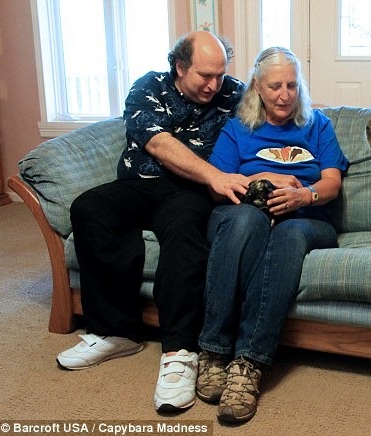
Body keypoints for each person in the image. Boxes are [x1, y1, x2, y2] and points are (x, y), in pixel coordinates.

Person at [56, 31, 250, 413]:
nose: (215, 85)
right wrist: (213, 174)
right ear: (179, 67)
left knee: (184, 230)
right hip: (139, 184)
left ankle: (180, 351)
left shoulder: (234, 93)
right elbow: (158, 142)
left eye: (220, 75)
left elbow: (278, 110)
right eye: (204, 76)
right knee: (89, 208)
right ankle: (116, 331)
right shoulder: (149, 86)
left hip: (189, 192)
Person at [196, 46, 349, 424]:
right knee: (246, 221)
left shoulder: (318, 125)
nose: (285, 95)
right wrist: (258, 182)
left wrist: (304, 195)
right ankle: (213, 351)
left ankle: (248, 363)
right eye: (276, 85)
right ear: (258, 88)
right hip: (241, 212)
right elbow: (218, 187)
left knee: (290, 236)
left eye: (292, 86)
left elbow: (331, 182)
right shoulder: (237, 129)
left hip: (306, 218)